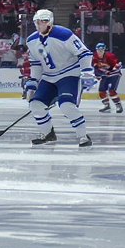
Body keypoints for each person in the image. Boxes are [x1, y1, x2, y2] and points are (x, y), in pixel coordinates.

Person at [25, 9, 93, 148]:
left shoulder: (63, 34)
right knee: (36, 105)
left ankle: (83, 136)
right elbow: (36, 63)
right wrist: (33, 82)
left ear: (49, 22)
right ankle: (47, 134)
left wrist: (87, 72)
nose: (39, 25)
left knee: (67, 105)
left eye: (43, 21)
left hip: (69, 74)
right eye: (37, 22)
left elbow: (84, 53)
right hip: (48, 77)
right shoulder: (31, 40)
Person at [94, 43, 122, 114]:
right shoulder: (95, 57)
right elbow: (96, 67)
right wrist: (97, 74)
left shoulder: (109, 56)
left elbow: (117, 65)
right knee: (101, 91)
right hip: (105, 75)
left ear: (104, 50)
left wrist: (109, 70)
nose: (99, 52)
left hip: (114, 74)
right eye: (98, 50)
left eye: (101, 50)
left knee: (111, 90)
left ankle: (118, 105)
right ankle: (106, 105)